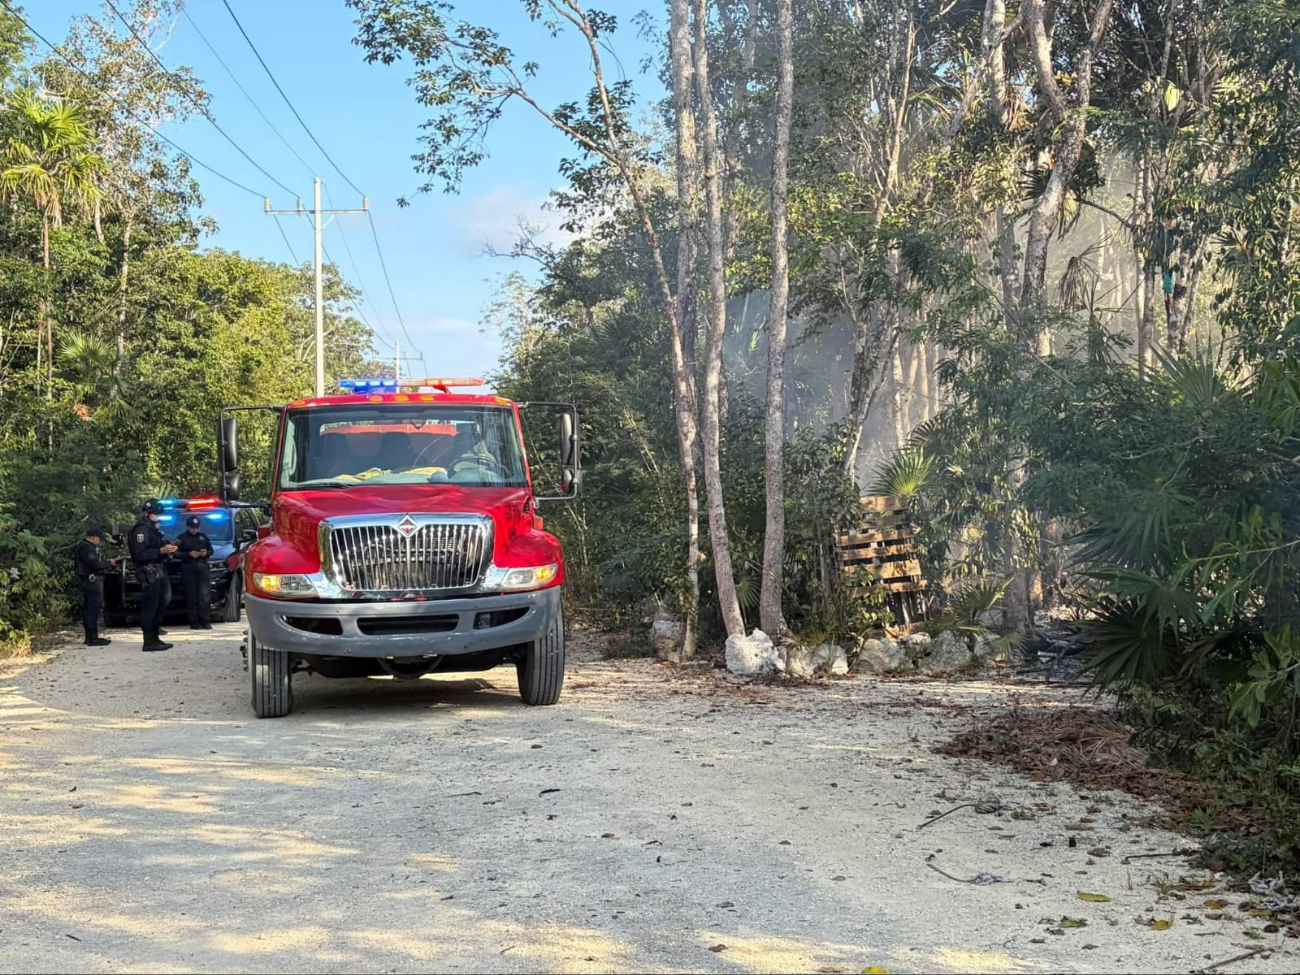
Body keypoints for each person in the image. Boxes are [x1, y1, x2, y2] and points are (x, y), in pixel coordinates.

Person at [128, 499, 178, 652]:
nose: (157, 516)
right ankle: (148, 641)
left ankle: (155, 638)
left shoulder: (152, 528)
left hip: (158, 570)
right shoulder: (141, 530)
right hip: (148, 571)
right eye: (155, 514)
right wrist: (161, 551)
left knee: (159, 605)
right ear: (147, 513)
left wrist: (168, 548)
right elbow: (139, 554)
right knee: (150, 607)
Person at [74, 527, 116, 647]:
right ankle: (91, 637)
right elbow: (95, 564)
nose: (100, 542)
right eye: (99, 539)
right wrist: (108, 563)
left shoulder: (89, 548)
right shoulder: (86, 548)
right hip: (89, 580)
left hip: (91, 580)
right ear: (93, 537)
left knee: (93, 608)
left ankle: (93, 636)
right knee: (92, 608)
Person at [177, 514, 213, 630]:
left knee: (204, 595)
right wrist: (188, 554)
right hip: (188, 567)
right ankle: (194, 621)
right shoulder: (181, 538)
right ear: (188, 527)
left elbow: (210, 550)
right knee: (191, 595)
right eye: (192, 527)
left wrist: (205, 553)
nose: (194, 529)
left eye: (196, 527)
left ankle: (205, 620)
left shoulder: (203, 537)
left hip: (202, 567)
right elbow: (176, 553)